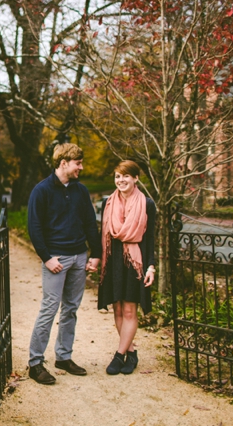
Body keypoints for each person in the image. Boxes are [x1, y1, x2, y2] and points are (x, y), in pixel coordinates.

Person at [27, 143, 102, 385]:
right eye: (78, 163)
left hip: (79, 257)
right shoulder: (42, 190)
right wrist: (47, 258)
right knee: (50, 308)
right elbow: (34, 228)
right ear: (63, 163)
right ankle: (35, 363)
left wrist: (95, 254)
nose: (81, 167)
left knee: (71, 308)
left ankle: (63, 357)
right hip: (56, 260)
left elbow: (91, 223)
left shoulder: (81, 191)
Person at [97, 160, 157, 375]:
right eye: (117, 176)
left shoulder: (147, 204)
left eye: (125, 176)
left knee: (130, 309)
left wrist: (151, 266)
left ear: (135, 178)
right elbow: (102, 234)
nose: (121, 180)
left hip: (134, 261)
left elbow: (149, 238)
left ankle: (119, 355)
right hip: (113, 260)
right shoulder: (108, 203)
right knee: (118, 308)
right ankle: (131, 353)